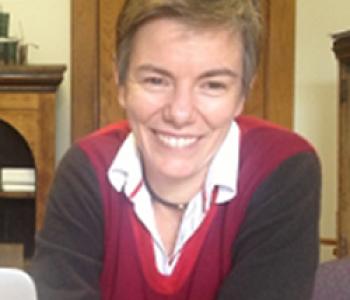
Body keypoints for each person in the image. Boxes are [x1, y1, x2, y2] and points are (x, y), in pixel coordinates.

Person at [30, 0, 321, 299]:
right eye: (156, 80)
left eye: (213, 85)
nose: (180, 114)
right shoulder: (87, 169)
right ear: (120, 83)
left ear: (242, 94)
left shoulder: (282, 168)